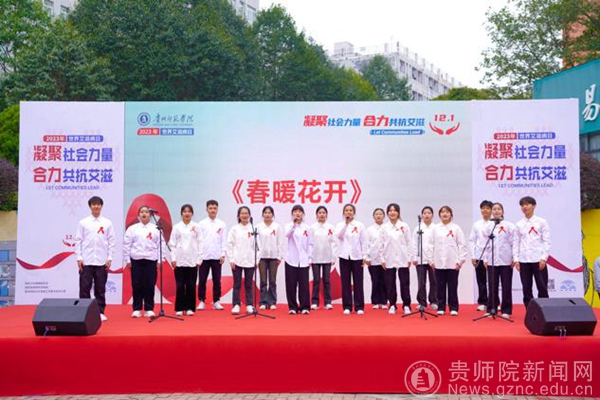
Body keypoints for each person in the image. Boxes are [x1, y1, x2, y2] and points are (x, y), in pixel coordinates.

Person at [75, 196, 115, 322]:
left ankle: (100, 312)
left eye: (98, 204)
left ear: (101, 206)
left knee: (100, 289)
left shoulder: (107, 223)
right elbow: (78, 240)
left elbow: (111, 241)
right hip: (86, 261)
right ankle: (84, 312)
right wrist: (79, 257)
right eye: (93, 204)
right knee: (84, 288)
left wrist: (109, 257)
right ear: (90, 206)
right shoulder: (83, 222)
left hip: (101, 261)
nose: (96, 206)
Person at [426, 205, 467, 316]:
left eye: (447, 212)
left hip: (453, 262)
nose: (445, 214)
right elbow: (430, 245)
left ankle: (454, 308)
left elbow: (462, 245)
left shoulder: (456, 228)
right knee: (440, 286)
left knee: (453, 286)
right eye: (442, 212)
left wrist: (461, 260)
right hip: (438, 262)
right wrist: (430, 260)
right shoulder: (435, 228)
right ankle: (441, 307)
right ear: (439, 215)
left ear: (451, 215)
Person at [123, 205, 161, 318]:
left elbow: (160, 245)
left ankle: (149, 308)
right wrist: (127, 259)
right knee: (137, 284)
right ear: (138, 215)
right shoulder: (132, 229)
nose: (144, 214)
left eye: (146, 212)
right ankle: (137, 309)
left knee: (150, 285)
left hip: (151, 260)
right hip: (136, 260)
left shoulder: (156, 228)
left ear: (150, 214)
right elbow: (126, 245)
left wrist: (159, 260)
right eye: (142, 212)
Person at [514, 196, 551, 308]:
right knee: (526, 288)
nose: (524, 207)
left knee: (542, 287)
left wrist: (543, 258)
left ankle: (544, 311)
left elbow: (546, 241)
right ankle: (530, 312)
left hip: (538, 260)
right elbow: (516, 243)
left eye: (527, 204)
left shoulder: (541, 222)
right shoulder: (519, 224)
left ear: (534, 206)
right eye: (522, 205)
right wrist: (516, 259)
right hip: (524, 260)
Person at [482, 202, 517, 319]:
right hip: (492, 260)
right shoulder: (488, 226)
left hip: (506, 260)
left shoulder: (509, 226)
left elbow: (514, 242)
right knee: (492, 286)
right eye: (494, 209)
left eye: (498, 209)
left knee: (506, 286)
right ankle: (491, 308)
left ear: (502, 211)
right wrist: (485, 258)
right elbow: (485, 244)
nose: (496, 211)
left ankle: (506, 310)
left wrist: (514, 257)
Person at [169, 204, 203, 316]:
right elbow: (172, 244)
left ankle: (189, 308)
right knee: (179, 285)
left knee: (191, 285)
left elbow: (200, 243)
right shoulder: (177, 227)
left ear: (192, 213)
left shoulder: (196, 226)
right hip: (179, 260)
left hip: (192, 260)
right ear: (181, 214)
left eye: (189, 211)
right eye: (184, 211)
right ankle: (179, 308)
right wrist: (173, 258)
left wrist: (199, 259)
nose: (187, 213)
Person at [335, 204, 368, 315]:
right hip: (344, 256)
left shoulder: (359, 225)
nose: (348, 212)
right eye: (346, 210)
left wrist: (365, 256)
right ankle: (347, 306)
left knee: (358, 282)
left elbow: (364, 241)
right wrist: (346, 224)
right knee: (345, 282)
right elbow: (339, 236)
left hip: (357, 257)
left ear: (354, 213)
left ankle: (359, 307)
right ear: (343, 213)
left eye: (350, 210)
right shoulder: (340, 225)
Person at [381, 203, 412, 315]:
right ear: (387, 213)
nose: (392, 212)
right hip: (389, 257)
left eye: (394, 210)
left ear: (398, 213)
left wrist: (410, 257)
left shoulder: (404, 226)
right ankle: (392, 304)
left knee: (404, 283)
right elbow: (381, 244)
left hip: (403, 258)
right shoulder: (384, 227)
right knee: (390, 283)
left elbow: (409, 242)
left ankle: (406, 305)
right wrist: (382, 259)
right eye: (390, 210)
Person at [197, 200, 227, 311]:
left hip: (216, 256)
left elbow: (223, 240)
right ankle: (201, 301)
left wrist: (223, 254)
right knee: (202, 280)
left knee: (217, 280)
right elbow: (199, 241)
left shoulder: (222, 224)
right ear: (206, 209)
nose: (212, 210)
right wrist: (199, 255)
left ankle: (216, 301)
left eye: (214, 208)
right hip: (204, 256)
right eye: (210, 208)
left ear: (217, 209)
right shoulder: (201, 224)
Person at [227, 206, 256, 315]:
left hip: (250, 260)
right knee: (237, 284)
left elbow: (258, 246)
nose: (244, 215)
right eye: (242, 213)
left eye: (246, 213)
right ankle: (236, 305)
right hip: (237, 260)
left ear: (249, 215)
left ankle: (249, 305)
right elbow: (229, 244)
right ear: (238, 216)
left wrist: (256, 260)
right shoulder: (234, 229)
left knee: (249, 284)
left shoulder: (253, 229)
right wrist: (231, 259)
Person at [284, 205, 313, 315]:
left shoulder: (307, 228)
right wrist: (294, 224)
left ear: (303, 214)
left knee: (304, 285)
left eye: (300, 211)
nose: (297, 213)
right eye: (295, 211)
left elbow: (310, 244)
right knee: (291, 285)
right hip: (291, 259)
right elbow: (287, 235)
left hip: (304, 260)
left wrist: (310, 258)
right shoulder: (288, 225)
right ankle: (292, 307)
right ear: (292, 214)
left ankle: (304, 306)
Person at [257, 206, 284, 310]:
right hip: (262, 258)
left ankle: (272, 302)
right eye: (265, 213)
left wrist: (279, 256)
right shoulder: (258, 227)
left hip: (273, 257)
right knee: (263, 280)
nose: (267, 215)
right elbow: (256, 243)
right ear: (262, 214)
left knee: (272, 280)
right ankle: (263, 302)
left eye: (269, 213)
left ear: (273, 214)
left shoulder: (277, 227)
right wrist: (257, 257)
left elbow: (280, 242)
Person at [411, 206, 438, 311]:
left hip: (433, 259)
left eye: (429, 213)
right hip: (420, 259)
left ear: (432, 215)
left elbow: (438, 244)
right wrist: (414, 257)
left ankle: (434, 301)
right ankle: (422, 302)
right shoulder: (418, 228)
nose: (427, 215)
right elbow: (414, 243)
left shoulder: (435, 228)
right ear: (422, 215)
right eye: (425, 213)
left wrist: (436, 258)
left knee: (434, 281)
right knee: (421, 282)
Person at [310, 206, 336, 310]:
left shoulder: (331, 227)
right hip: (315, 257)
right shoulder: (312, 227)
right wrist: (310, 257)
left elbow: (334, 243)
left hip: (327, 257)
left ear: (326, 214)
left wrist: (333, 257)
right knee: (316, 280)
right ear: (316, 214)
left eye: (323, 212)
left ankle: (328, 302)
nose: (322, 214)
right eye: (320, 212)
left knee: (326, 280)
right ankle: (314, 302)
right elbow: (310, 243)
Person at [469, 200, 493, 311]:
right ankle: (483, 302)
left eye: (487, 208)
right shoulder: (477, 224)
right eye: (483, 208)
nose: (485, 210)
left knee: (493, 281)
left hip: (492, 256)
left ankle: (494, 302)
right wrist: (473, 255)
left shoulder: (495, 224)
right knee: (481, 280)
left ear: (491, 210)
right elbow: (472, 240)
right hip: (479, 255)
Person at [365, 208, 387, 310]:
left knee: (385, 281)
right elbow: (366, 244)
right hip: (373, 259)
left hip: (385, 259)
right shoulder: (369, 229)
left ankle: (384, 301)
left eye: (380, 214)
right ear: (373, 216)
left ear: (384, 216)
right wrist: (367, 257)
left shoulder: (387, 228)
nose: (378, 216)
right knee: (375, 281)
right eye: (376, 214)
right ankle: (375, 301)